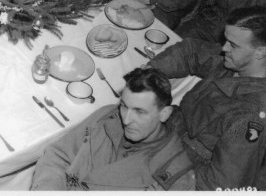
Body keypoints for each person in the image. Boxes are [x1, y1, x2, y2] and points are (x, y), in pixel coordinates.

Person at [148, 6, 266, 190]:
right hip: (170, 132)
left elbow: (218, 185)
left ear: (260, 52)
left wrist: (164, 171)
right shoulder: (237, 62)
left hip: (183, 165)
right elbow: (191, 51)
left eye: (233, 44)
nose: (224, 48)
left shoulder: (250, 116)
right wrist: (150, 71)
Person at [31, 67, 195, 191]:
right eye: (124, 105)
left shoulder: (175, 177)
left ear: (164, 114)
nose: (126, 119)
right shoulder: (107, 116)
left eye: (139, 111)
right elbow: (57, 156)